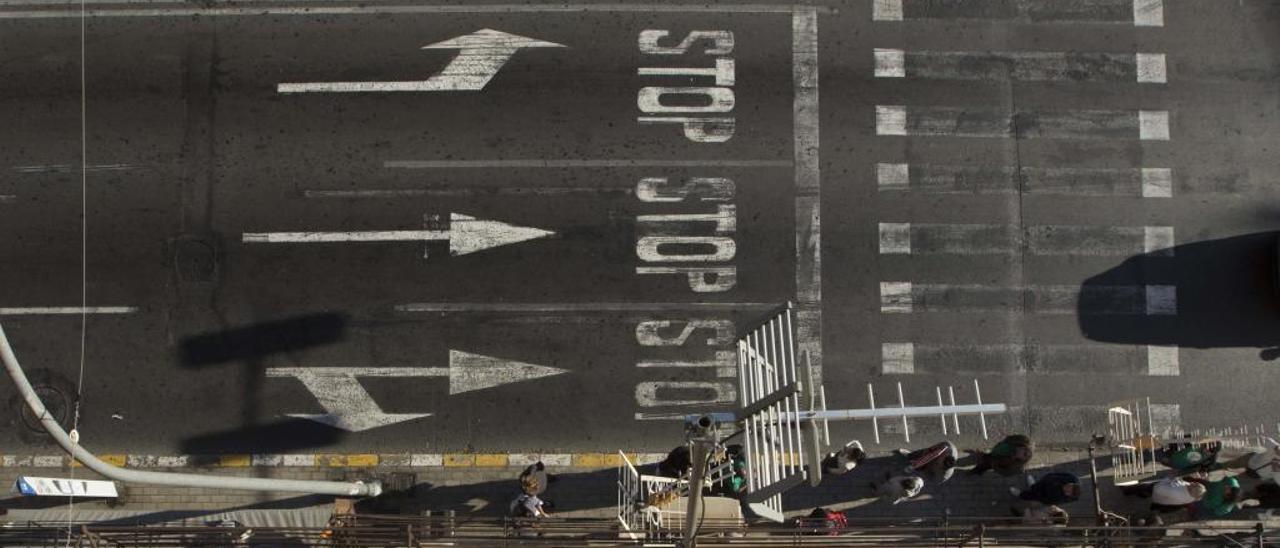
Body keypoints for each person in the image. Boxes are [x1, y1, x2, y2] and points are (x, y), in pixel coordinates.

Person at [1121, 476, 1208, 514]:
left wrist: (1168, 478)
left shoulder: (1178, 493)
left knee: (1144, 487)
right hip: (1164, 499)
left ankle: (1127, 491)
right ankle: (1142, 495)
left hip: (1158, 493)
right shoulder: (1192, 497)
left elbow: (1158, 488)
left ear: (1192, 489)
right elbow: (1182, 483)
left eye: (1195, 484)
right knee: (1145, 491)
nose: (1193, 482)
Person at [969, 435, 1034, 476]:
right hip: (994, 453)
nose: (1022, 451)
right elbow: (1009, 438)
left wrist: (994, 466)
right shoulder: (1015, 443)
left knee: (982, 467)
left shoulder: (1015, 465)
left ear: (1022, 459)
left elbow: (1005, 473)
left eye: (1024, 454)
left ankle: (976, 471)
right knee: (984, 456)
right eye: (1024, 449)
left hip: (993, 462)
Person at [1013, 472, 1081, 506]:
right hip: (1045, 481)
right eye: (1070, 485)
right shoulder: (1073, 478)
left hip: (1042, 492)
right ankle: (1033, 485)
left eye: (1068, 490)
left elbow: (1044, 500)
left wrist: (1036, 494)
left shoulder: (1058, 499)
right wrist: (1049, 475)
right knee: (1036, 485)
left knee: (1031, 495)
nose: (1066, 486)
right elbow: (1062, 474)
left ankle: (1020, 494)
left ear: (1068, 494)